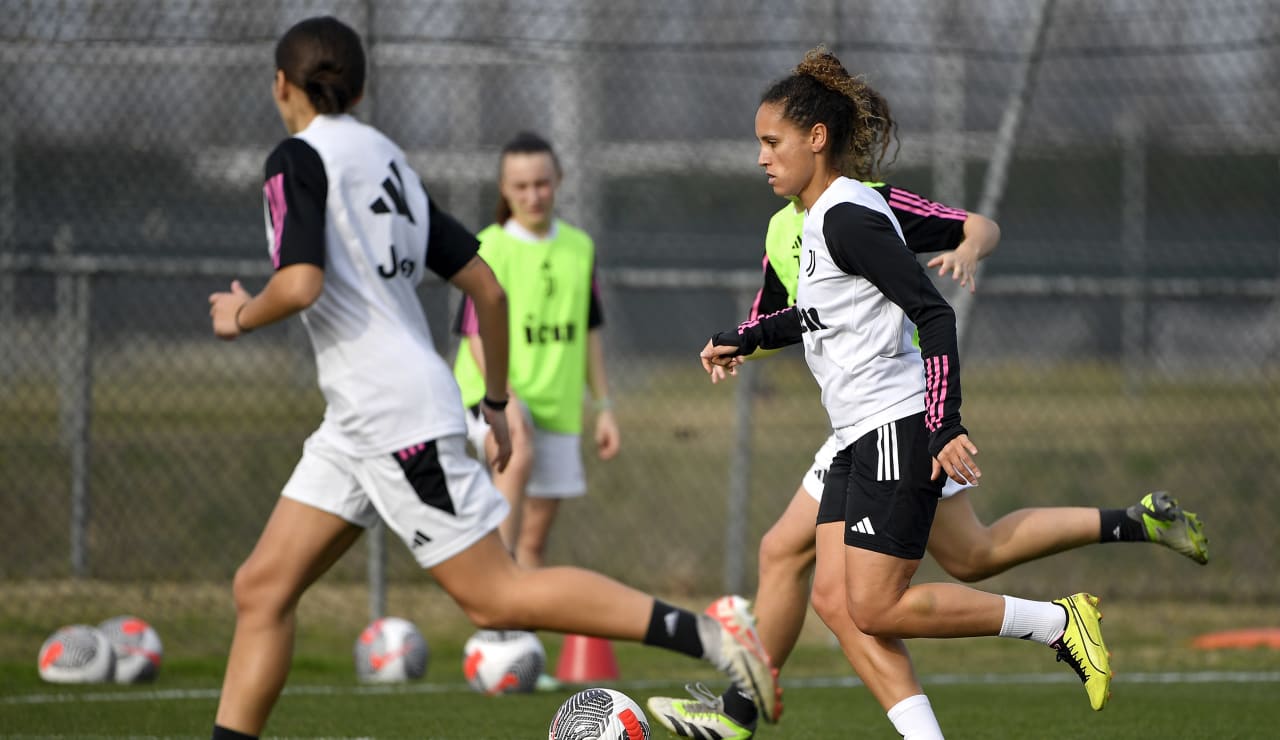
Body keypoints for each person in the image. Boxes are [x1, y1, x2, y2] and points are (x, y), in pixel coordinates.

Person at [204, 17, 779, 739]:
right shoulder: (388, 161)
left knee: (497, 596)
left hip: (390, 415)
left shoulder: (296, 156)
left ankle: (717, 637)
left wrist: (239, 314)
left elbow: (299, 283)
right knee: (261, 589)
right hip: (359, 418)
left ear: (282, 84)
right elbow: (489, 289)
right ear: (359, 85)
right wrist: (498, 403)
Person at [649, 106, 1208, 740]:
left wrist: (944, 417)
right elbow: (806, 315)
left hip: (898, 411)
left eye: (771, 142)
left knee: (883, 592)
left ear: (818, 137)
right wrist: (738, 341)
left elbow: (950, 278)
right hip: (858, 425)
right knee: (864, 586)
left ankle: (1055, 621)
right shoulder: (790, 227)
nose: (760, 157)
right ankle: (1123, 535)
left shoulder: (859, 210)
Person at [452, 131, 619, 569]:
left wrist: (603, 407)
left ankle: (514, 628)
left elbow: (589, 334)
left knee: (534, 543)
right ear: (505, 189)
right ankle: (496, 585)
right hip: (493, 395)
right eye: (521, 186)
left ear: (559, 180)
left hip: (557, 405)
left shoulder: (579, 247)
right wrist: (501, 399)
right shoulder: (489, 246)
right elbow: (474, 335)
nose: (533, 195)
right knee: (517, 446)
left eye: (541, 183)